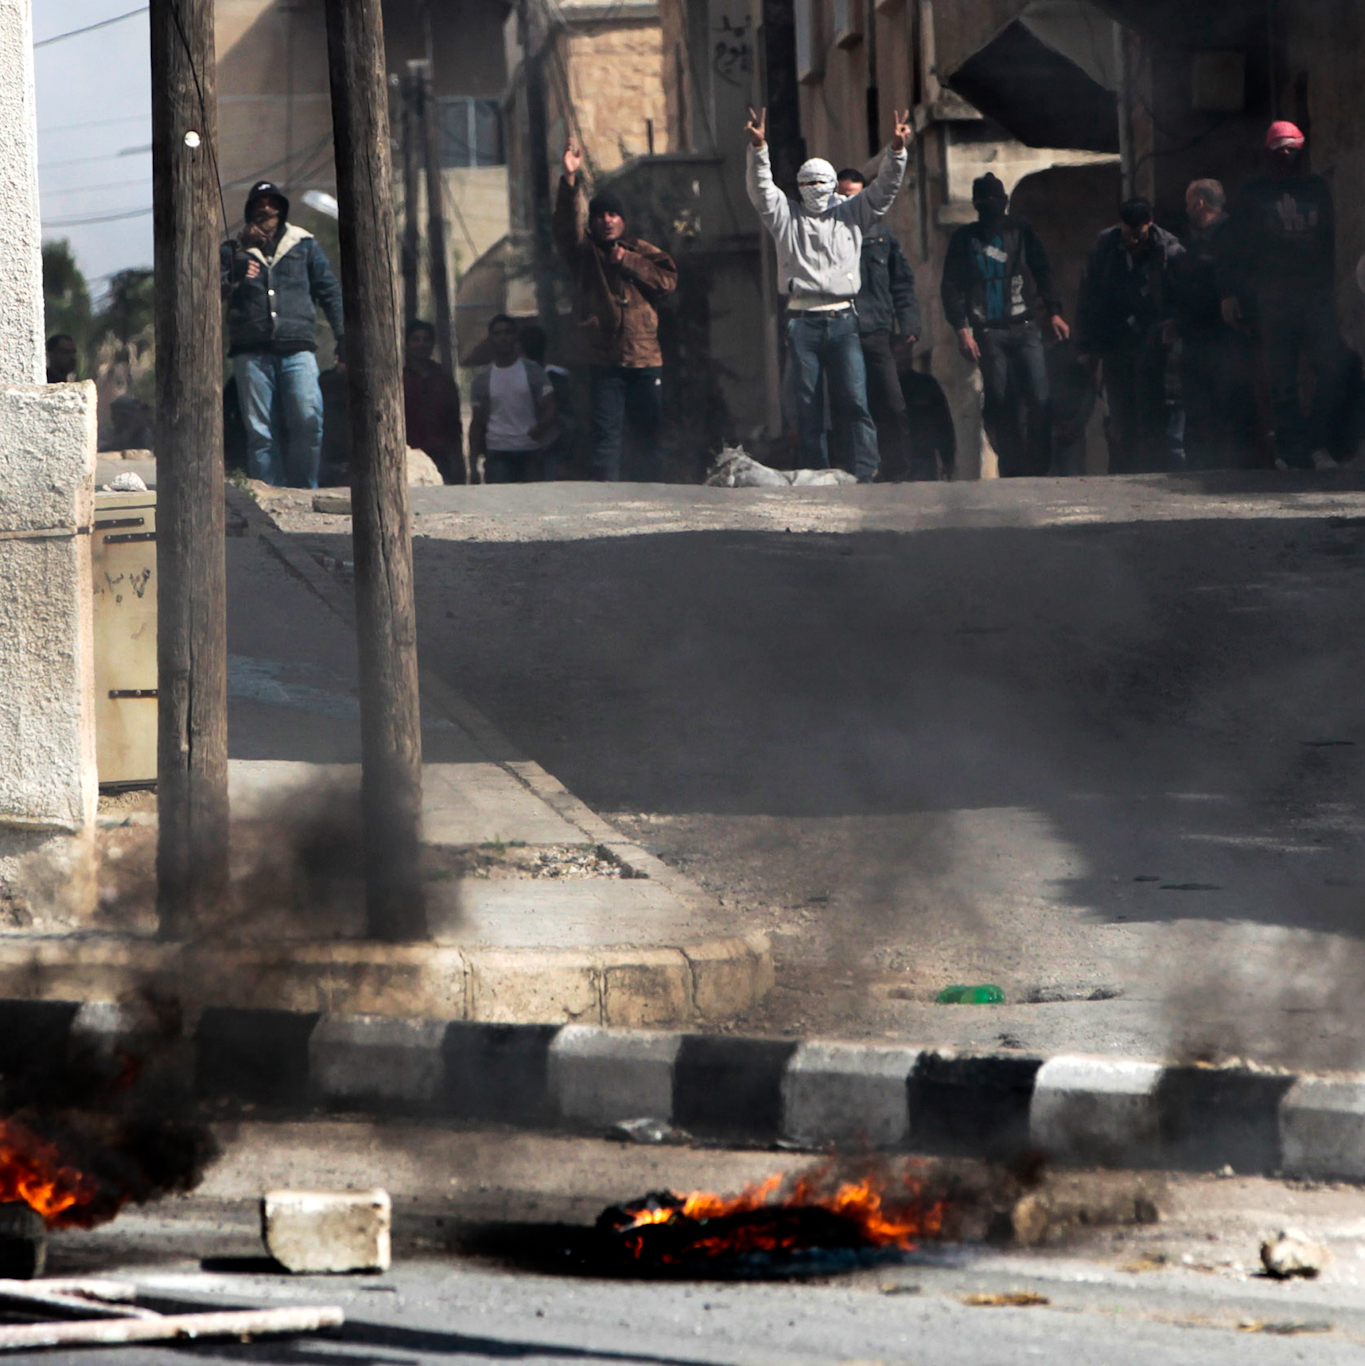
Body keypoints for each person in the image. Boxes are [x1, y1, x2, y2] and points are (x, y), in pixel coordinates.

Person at [746, 106, 911, 483]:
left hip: (843, 321)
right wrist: (759, 149)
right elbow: (761, 190)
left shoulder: (852, 214)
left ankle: (865, 471)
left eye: (822, 183)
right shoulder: (785, 217)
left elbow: (884, 190)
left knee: (854, 400)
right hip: (802, 322)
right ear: (799, 187)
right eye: (808, 184)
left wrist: (897, 152)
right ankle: (814, 474)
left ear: (833, 184)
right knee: (808, 407)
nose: (816, 191)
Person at [1218, 121, 1352, 468]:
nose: (1287, 155)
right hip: (1273, 296)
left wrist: (1329, 287)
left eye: (1292, 148)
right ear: (1268, 152)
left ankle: (1316, 441)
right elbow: (1234, 246)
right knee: (1281, 378)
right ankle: (1291, 450)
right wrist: (1231, 292)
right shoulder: (1253, 192)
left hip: (1315, 294)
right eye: (1280, 149)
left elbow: (1328, 239)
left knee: (1333, 367)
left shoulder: (1317, 187)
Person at [554, 143, 677, 482]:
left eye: (613, 215)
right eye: (600, 216)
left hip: (645, 358)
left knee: (648, 435)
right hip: (604, 358)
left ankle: (652, 497)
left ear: (623, 220)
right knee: (606, 439)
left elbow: (668, 281)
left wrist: (629, 262)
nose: (606, 221)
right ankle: (608, 501)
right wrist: (569, 179)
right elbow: (566, 227)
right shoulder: (584, 253)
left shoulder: (643, 251)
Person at [941, 173, 1069, 478]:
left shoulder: (1020, 230)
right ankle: (1013, 468)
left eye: (994, 201)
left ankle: (1039, 467)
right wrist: (962, 330)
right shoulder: (964, 239)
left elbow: (1042, 268)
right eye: (984, 202)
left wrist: (1053, 311)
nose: (990, 207)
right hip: (988, 331)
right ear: (974, 204)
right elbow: (951, 286)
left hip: (1024, 327)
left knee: (1039, 396)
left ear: (1004, 203)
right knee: (1000, 399)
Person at [221, 180, 344, 488]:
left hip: (297, 349)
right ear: (250, 211)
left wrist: (344, 336)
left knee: (307, 418)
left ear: (283, 210)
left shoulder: (304, 245)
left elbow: (329, 291)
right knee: (260, 431)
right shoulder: (233, 250)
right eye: (260, 204)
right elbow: (213, 289)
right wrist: (234, 270)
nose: (267, 208)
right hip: (250, 351)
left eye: (273, 203)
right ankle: (269, 491)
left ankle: (304, 487)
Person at [1076, 197, 1186, 474]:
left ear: (1149, 224)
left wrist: (1174, 324)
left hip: (1153, 340)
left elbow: (1183, 295)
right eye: (1127, 233)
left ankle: (1152, 472)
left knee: (1152, 410)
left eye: (1138, 234)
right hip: (1115, 339)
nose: (1132, 241)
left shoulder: (1169, 249)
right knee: (1120, 410)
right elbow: (1087, 297)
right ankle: (1123, 472)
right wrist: (1087, 346)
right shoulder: (1105, 246)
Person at [835, 167, 922, 481]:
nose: (850, 203)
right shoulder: (828, 235)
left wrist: (909, 324)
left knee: (893, 403)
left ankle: (897, 472)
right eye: (843, 196)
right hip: (843, 332)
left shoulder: (883, 236)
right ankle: (855, 470)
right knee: (853, 404)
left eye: (856, 196)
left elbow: (902, 283)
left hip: (877, 333)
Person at [1173, 179, 1259, 469]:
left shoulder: (1234, 236)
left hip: (1225, 338)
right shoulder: (1196, 242)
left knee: (1229, 405)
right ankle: (1203, 467)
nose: (1186, 209)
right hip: (1197, 338)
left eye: (1188, 202)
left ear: (1199, 203)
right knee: (1199, 408)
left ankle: (1235, 468)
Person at [468, 314, 557, 484]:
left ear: (515, 337)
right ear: (491, 338)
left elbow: (550, 405)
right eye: (497, 333)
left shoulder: (533, 372)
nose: (503, 337)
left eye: (508, 332)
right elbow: (477, 423)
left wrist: (542, 427)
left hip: (530, 452)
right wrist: (473, 467)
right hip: (497, 453)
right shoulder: (482, 380)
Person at [402, 320, 464, 484]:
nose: (421, 344)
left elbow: (454, 425)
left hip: (441, 457)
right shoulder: (398, 381)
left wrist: (458, 461)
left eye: (426, 339)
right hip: (409, 458)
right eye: (416, 339)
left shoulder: (443, 380)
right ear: (407, 344)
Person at [520, 323, 575, 480]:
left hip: (551, 443)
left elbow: (563, 414)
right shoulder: (558, 375)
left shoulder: (555, 376)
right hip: (534, 443)